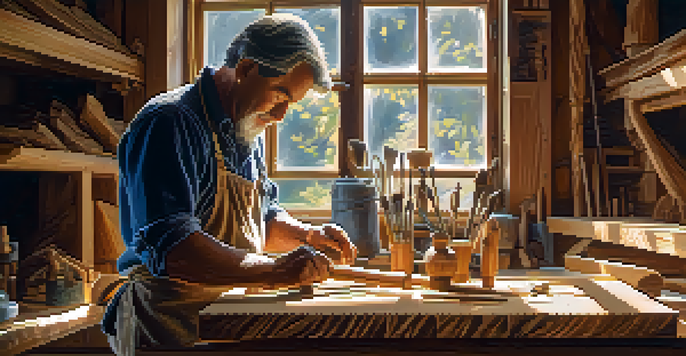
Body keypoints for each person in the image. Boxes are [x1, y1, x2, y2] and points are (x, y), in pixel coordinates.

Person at [101, 13, 357, 355]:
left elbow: (260, 223)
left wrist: (308, 236)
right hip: (168, 325)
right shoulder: (169, 123)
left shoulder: (247, 128)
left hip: (226, 320)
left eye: (290, 104)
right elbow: (176, 251)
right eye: (279, 94)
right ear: (247, 69)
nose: (281, 116)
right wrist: (278, 269)